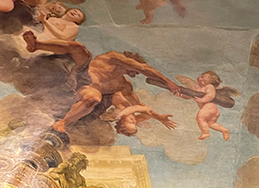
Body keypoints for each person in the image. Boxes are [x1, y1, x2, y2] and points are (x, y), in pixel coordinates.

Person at [21, 32, 182, 134]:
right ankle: (37, 45)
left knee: (94, 98)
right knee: (79, 48)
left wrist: (159, 117)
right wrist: (167, 82)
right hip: (83, 71)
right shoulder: (112, 59)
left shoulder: (123, 85)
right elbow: (144, 68)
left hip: (86, 87)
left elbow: (138, 104)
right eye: (135, 69)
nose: (137, 73)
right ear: (131, 62)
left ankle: (64, 121)